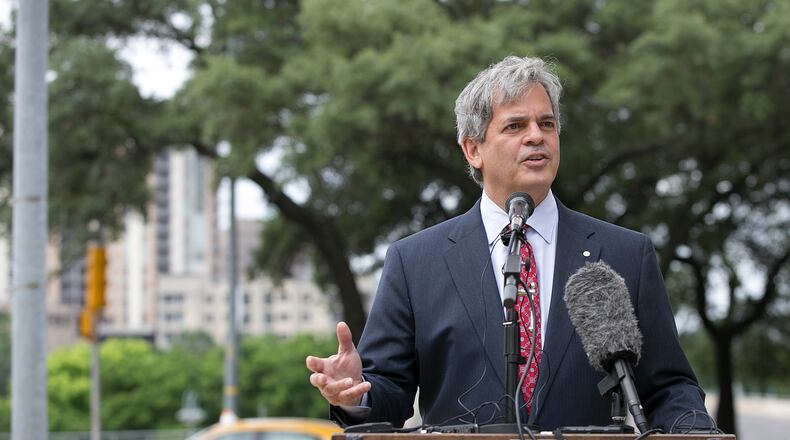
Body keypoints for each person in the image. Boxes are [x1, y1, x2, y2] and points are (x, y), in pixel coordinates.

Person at [305, 56, 708, 432]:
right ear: (473, 149)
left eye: (547, 124)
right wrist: (356, 393)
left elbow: (669, 389)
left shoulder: (625, 255)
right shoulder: (415, 263)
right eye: (516, 126)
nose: (537, 137)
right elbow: (387, 395)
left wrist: (698, 433)